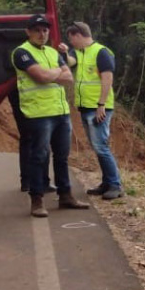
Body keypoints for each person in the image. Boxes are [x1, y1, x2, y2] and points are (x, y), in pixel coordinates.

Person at [12, 14, 89, 217]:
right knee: (39, 156)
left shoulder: (53, 52)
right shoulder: (22, 53)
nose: (42, 34)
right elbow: (41, 76)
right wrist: (56, 73)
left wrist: (52, 74)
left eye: (45, 30)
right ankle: (37, 200)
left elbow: (69, 78)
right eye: (37, 30)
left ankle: (66, 196)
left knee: (62, 157)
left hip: (61, 112)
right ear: (28, 32)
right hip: (38, 113)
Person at [59, 21, 123, 200]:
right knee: (97, 146)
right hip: (85, 107)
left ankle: (115, 185)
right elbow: (69, 62)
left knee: (101, 146)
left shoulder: (101, 52)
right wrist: (64, 52)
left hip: (98, 108)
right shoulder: (79, 52)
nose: (71, 43)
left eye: (72, 39)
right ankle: (107, 182)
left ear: (78, 35)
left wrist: (101, 104)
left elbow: (107, 79)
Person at [10, 87, 51, 193]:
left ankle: (34, 181)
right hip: (27, 95)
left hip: (29, 94)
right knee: (35, 137)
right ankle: (36, 181)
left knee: (31, 137)